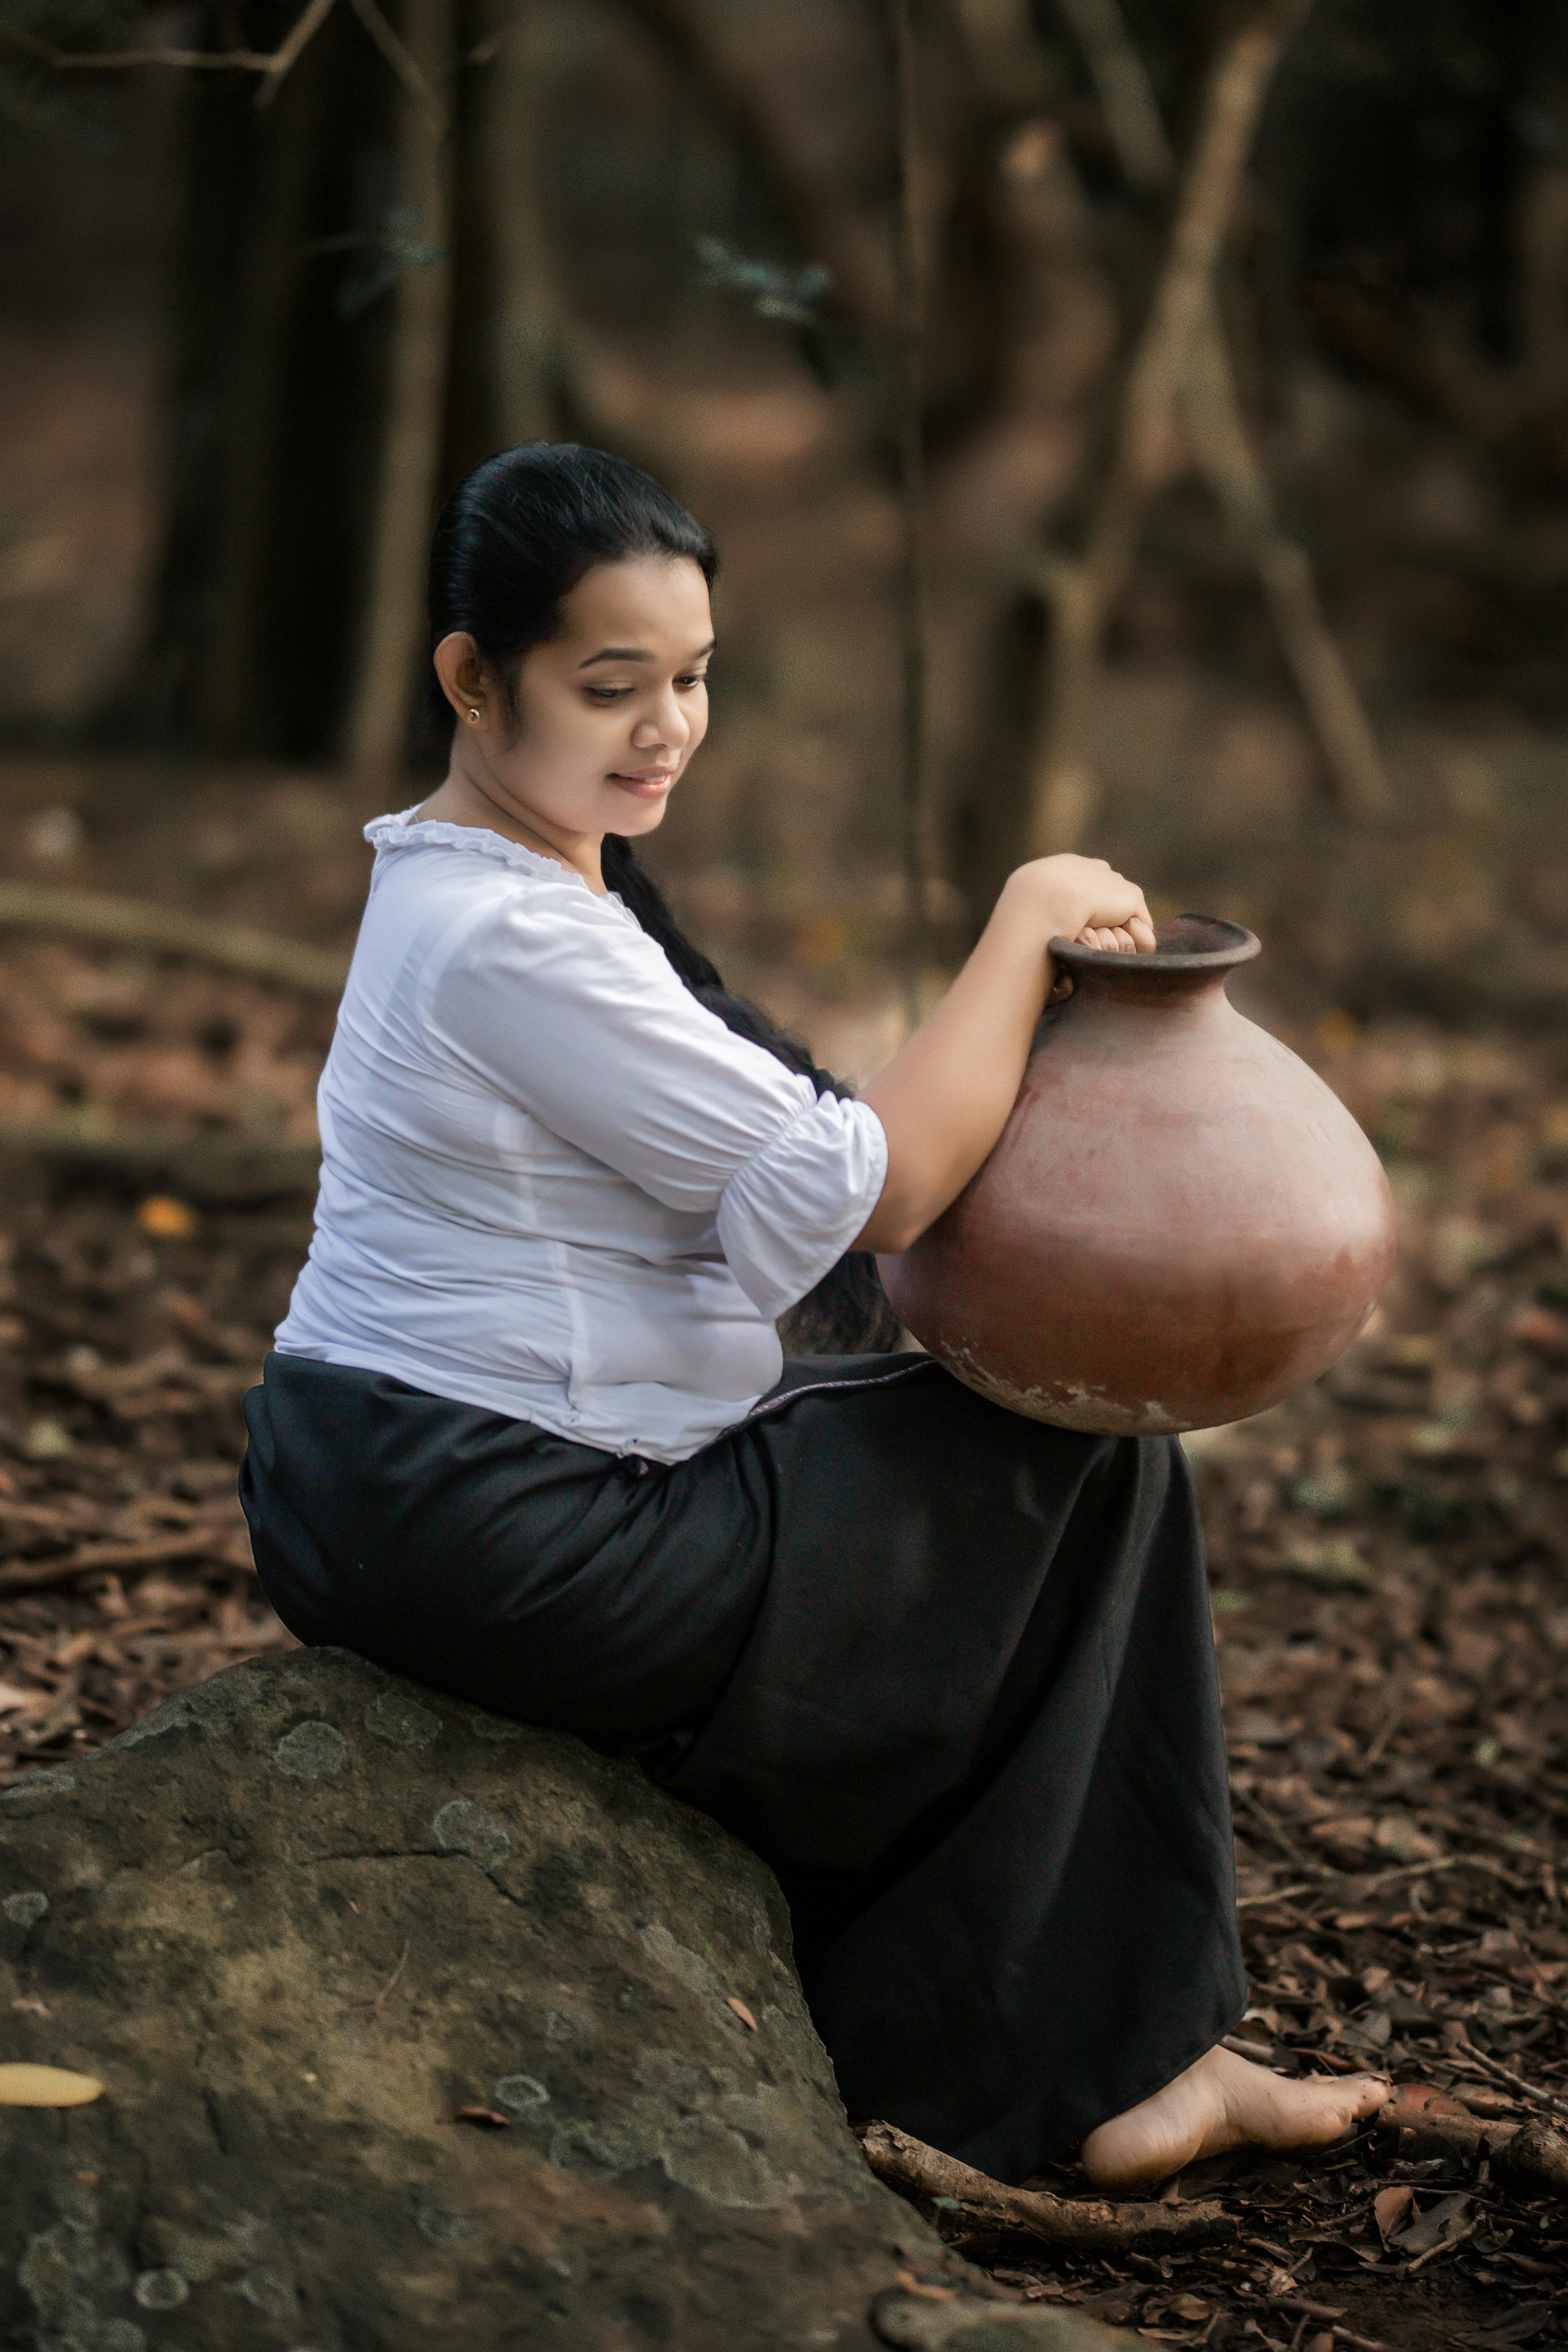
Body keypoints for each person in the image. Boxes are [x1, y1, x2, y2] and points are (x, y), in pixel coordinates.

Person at [239, 443, 1388, 2191]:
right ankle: (1097, 2070)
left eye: (692, 678)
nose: (665, 728)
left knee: (997, 1488)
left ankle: (1057, 2032)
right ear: (473, 679)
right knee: (1092, 1474)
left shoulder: (493, 884)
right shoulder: (512, 941)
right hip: (493, 1526)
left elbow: (787, 1168)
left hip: (386, 1476)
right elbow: (879, 1191)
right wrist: (1025, 919)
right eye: (607, 686)